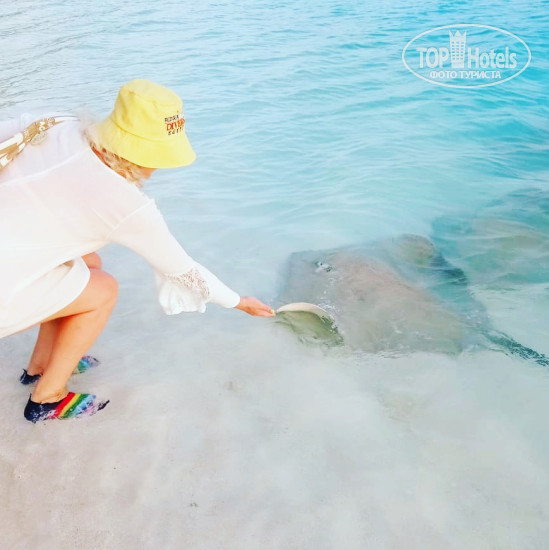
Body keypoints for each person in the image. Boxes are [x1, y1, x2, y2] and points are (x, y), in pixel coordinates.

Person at [0, 79, 275, 423]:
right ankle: (46, 397)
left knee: (89, 262)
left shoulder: (54, 124)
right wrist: (240, 302)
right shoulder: (125, 204)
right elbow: (184, 272)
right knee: (104, 290)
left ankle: (42, 365)